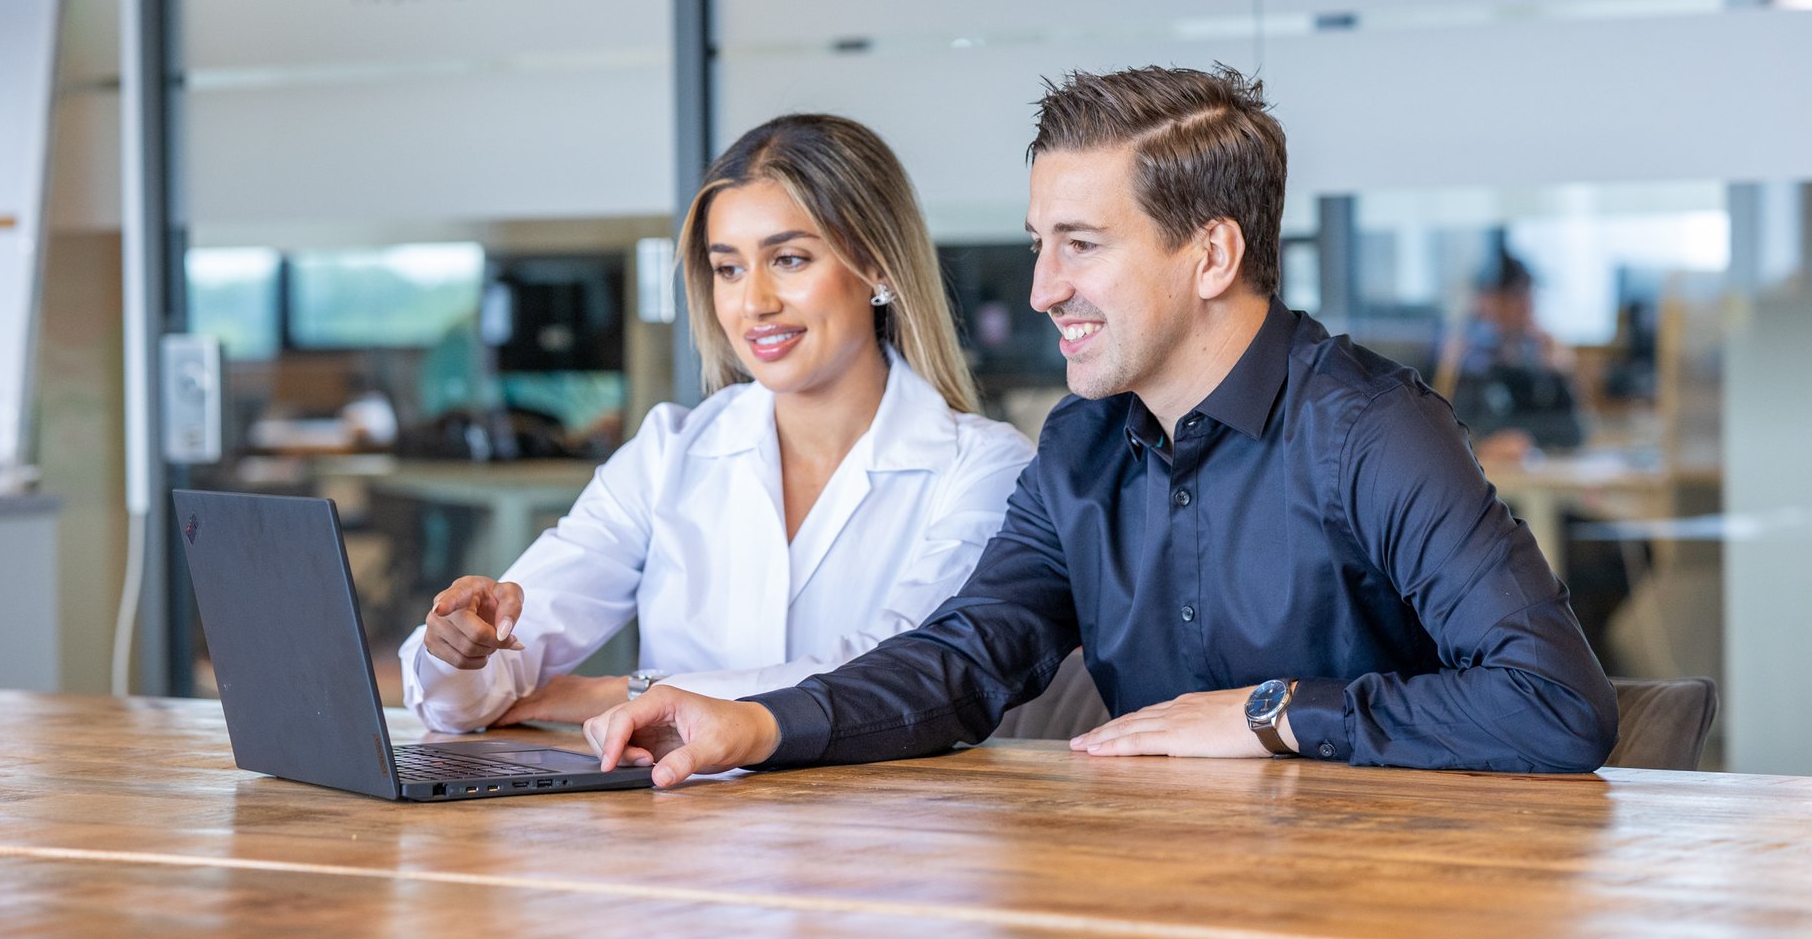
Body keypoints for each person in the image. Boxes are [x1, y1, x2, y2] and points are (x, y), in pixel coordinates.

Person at [586, 65, 1621, 787]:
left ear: (1210, 256)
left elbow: (1552, 703)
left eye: (1079, 245)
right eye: (1040, 244)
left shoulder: (1370, 431)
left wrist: (1271, 713)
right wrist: (756, 725)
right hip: (1153, 910)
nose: (1041, 290)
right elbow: (959, 660)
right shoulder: (1079, 451)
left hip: (1382, 921)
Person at [397, 115, 1033, 733]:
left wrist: (629, 692)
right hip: (679, 828)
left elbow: (897, 678)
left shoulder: (984, 468)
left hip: (884, 826)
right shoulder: (670, 452)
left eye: (788, 259)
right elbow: (468, 697)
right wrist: (459, 649)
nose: (754, 302)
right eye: (728, 268)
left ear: (878, 266)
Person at [1437, 249, 1585, 465]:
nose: (1528, 305)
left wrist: (1560, 374)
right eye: (1517, 295)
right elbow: (1450, 433)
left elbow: (1573, 431)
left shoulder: (1537, 356)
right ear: (1487, 300)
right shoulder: (1464, 357)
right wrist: (1484, 443)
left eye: (1529, 294)